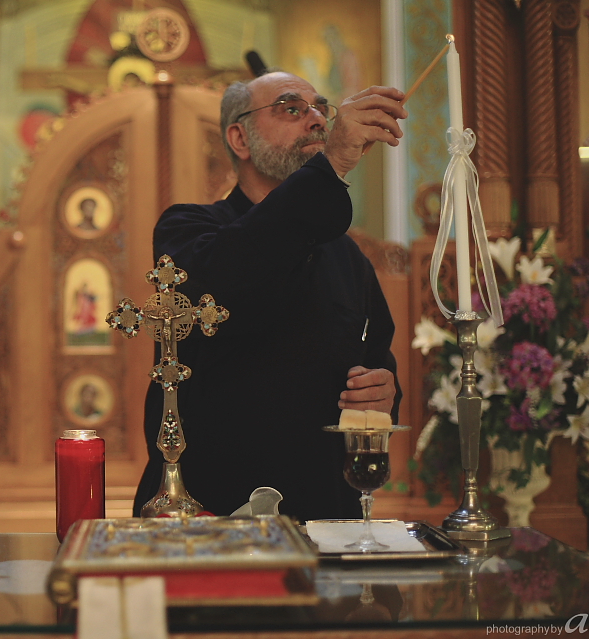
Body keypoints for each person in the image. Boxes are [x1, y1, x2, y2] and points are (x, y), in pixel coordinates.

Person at [132, 72, 408, 522]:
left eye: (320, 108)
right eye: (291, 108)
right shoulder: (188, 229)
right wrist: (331, 165)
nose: (316, 120)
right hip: (216, 516)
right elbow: (235, 274)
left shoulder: (348, 256)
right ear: (240, 138)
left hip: (327, 514)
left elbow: (378, 361)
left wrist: (382, 393)